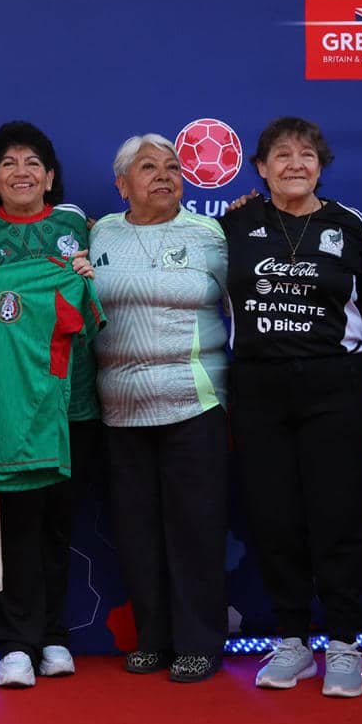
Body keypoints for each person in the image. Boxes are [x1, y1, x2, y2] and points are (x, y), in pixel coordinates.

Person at [222, 117, 362, 698]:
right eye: (281, 155)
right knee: (275, 517)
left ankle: (343, 644)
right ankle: (292, 640)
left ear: (321, 165)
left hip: (336, 384)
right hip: (259, 386)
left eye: (306, 154)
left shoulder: (349, 224)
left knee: (337, 516)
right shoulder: (233, 224)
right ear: (260, 168)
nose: (294, 163)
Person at [89, 135, 230, 684]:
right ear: (122, 184)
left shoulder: (209, 234)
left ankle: (199, 641)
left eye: (173, 166)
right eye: (148, 168)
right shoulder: (100, 233)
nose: (164, 175)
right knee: (137, 530)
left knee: (195, 528)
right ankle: (153, 638)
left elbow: (239, 307)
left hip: (194, 400)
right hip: (120, 407)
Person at [0, 119, 98, 688]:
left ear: (50, 177)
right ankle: (14, 644)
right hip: (11, 407)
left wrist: (86, 276)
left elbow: (96, 304)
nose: (21, 173)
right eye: (8, 165)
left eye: (32, 164)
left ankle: (54, 636)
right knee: (15, 525)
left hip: (72, 402)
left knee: (57, 525)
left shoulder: (77, 225)